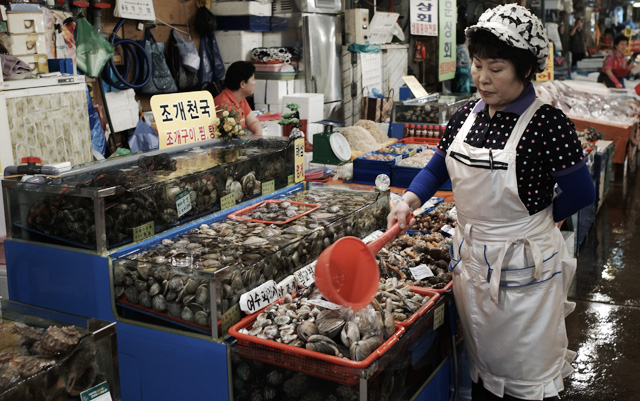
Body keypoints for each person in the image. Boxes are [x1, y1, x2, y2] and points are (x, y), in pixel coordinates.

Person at [387, 4, 595, 401]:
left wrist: (532, 227)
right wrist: (408, 199)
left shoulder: (548, 124)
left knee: (526, 379)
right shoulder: (467, 114)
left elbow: (582, 193)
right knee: (481, 368)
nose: (482, 78)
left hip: (523, 269)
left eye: (496, 68)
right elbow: (437, 168)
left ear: (525, 69)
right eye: (478, 64)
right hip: (472, 264)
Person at [214, 61, 263, 135]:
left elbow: (253, 122)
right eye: (252, 79)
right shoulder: (224, 105)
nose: (254, 83)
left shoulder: (241, 99)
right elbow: (234, 138)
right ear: (242, 84)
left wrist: (258, 138)